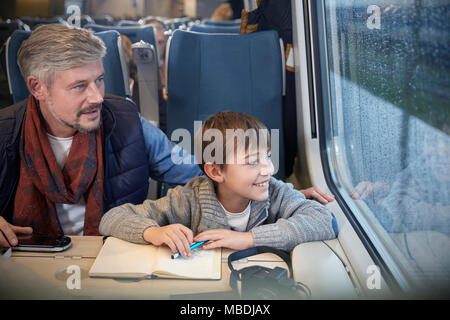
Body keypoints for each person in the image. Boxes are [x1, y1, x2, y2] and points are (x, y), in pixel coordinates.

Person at [0, 24, 202, 247]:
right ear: (37, 87)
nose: (97, 97)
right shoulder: (5, 134)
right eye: (79, 86)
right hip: (26, 260)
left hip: (113, 256)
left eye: (99, 80)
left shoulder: (128, 123)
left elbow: (198, 177)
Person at [99, 111, 338, 257]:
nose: (269, 169)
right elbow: (112, 218)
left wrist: (249, 239)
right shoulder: (188, 199)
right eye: (252, 162)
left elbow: (324, 220)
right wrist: (154, 232)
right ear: (215, 171)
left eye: (267, 156)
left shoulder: (275, 192)